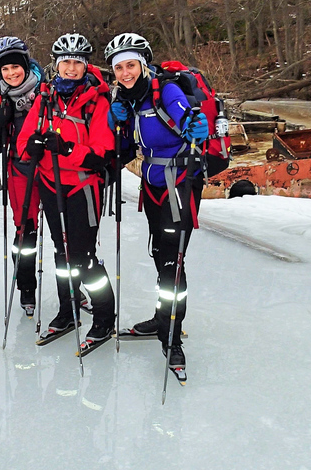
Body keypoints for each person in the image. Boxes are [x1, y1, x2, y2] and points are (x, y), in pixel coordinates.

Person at [104, 32, 209, 371]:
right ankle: (162, 319)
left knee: (172, 264)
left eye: (131, 65)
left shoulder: (166, 90)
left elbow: (188, 118)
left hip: (178, 184)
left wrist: (195, 124)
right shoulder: (126, 99)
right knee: (160, 255)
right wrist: (116, 121)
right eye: (119, 68)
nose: (125, 73)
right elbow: (124, 144)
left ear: (143, 64)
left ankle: (172, 337)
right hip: (151, 186)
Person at [16, 32, 116, 345]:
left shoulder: (97, 101)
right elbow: (23, 142)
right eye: (65, 62)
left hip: (83, 187)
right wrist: (31, 147)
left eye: (77, 62)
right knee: (62, 254)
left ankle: (103, 317)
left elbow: (103, 150)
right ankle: (67, 309)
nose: (70, 68)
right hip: (51, 184)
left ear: (86, 66)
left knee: (83, 257)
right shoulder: (45, 96)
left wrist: (69, 149)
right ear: (56, 65)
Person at [0, 36, 44, 316]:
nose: (11, 73)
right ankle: (26, 289)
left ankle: (74, 291)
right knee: (25, 232)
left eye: (15, 67)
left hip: (53, 170)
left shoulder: (47, 91)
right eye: (4, 69)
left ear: (26, 65)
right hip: (19, 169)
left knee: (65, 233)